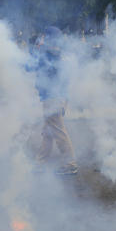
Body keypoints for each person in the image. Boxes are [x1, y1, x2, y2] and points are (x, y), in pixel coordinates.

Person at [33, 26, 78, 175]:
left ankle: (70, 163)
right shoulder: (57, 52)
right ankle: (40, 163)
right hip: (56, 97)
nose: (42, 38)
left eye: (44, 36)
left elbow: (32, 66)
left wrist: (38, 49)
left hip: (53, 97)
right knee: (48, 132)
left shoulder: (51, 53)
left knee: (57, 131)